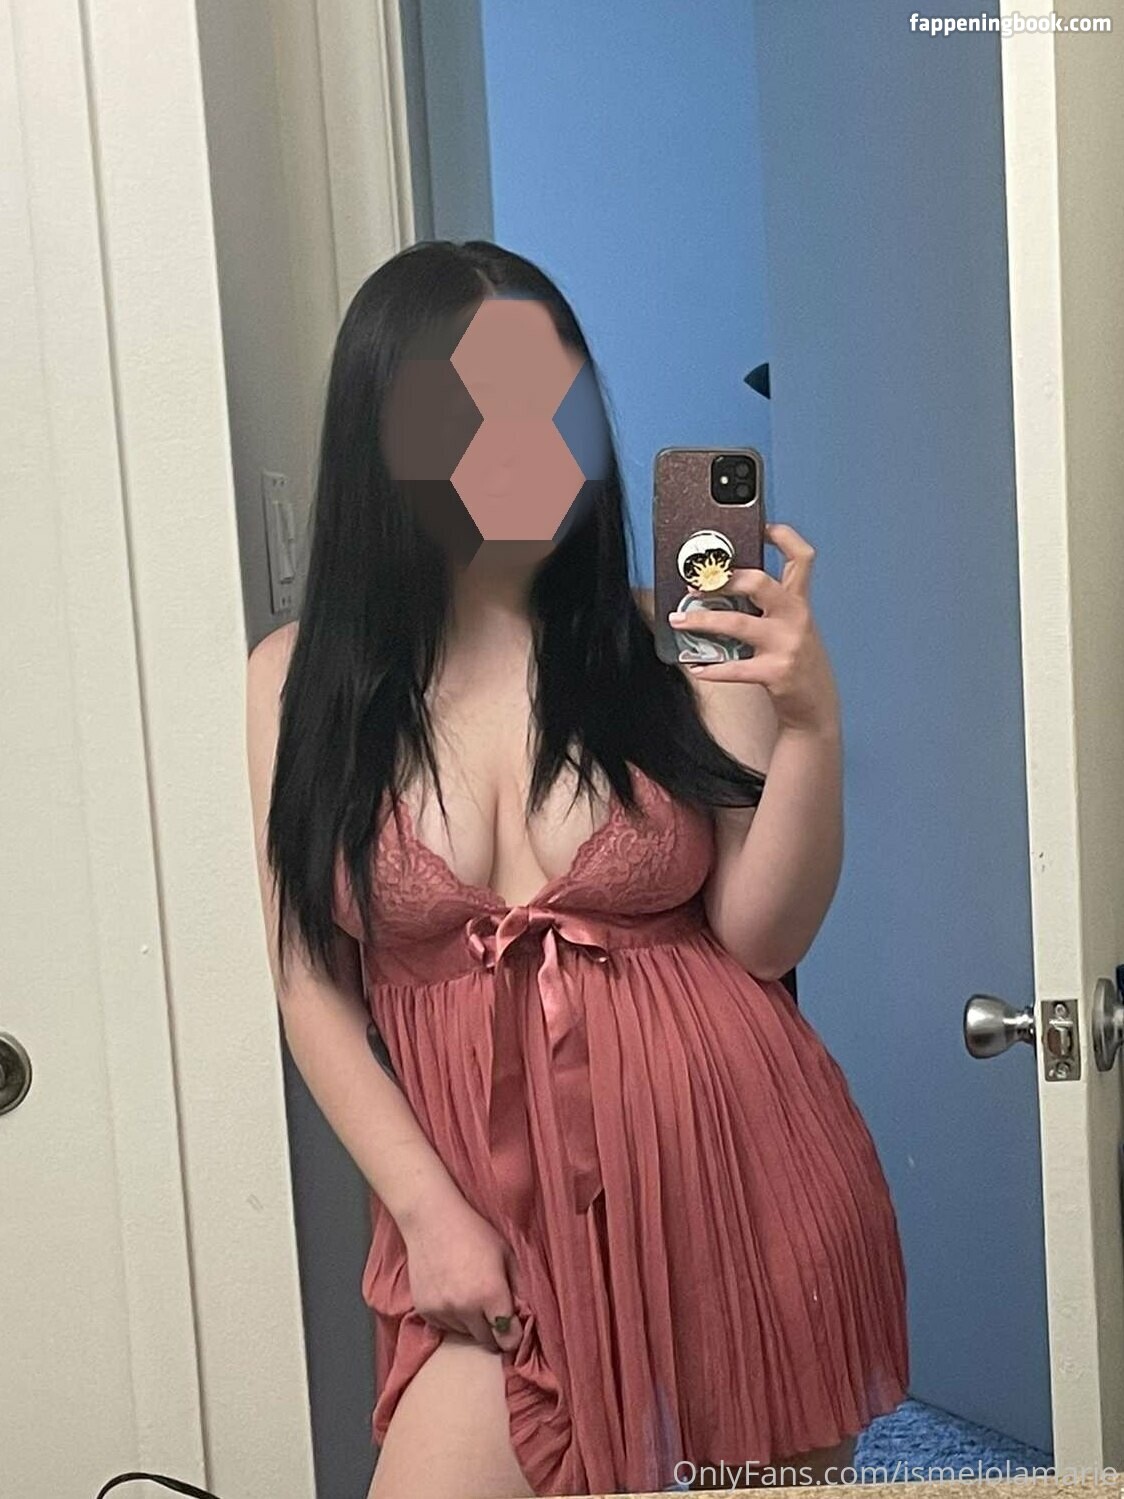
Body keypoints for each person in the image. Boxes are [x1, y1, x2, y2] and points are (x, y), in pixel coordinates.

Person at [245, 239, 908, 1499]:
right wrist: (425, 1212)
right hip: (482, 1217)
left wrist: (811, 724)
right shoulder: (294, 683)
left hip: (733, 1183)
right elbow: (307, 981)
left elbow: (763, 937)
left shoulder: (676, 640)